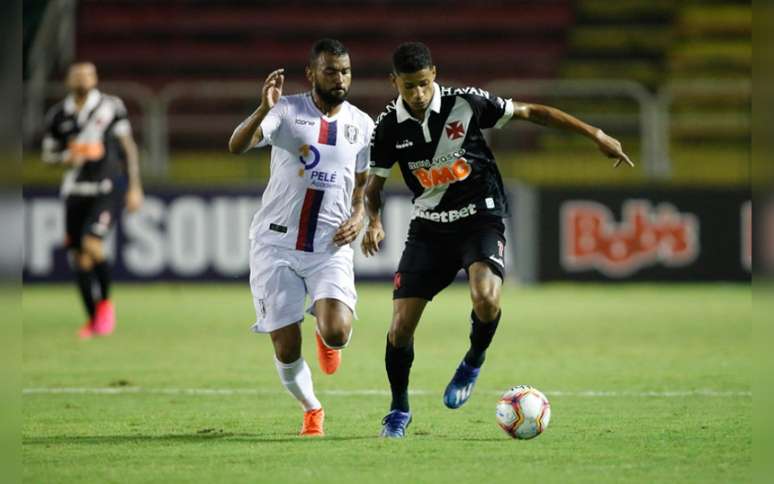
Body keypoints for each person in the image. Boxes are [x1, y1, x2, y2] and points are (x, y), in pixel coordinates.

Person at [363, 42, 633, 438]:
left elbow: (532, 112)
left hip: (480, 218)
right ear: (394, 83)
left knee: (486, 299)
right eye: (408, 87)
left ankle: (473, 359)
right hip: (429, 228)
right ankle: (399, 408)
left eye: (423, 84)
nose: (418, 94)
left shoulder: (466, 103)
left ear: (434, 74)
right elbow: (374, 186)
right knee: (400, 328)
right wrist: (373, 220)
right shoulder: (387, 126)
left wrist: (595, 134)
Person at [228, 39, 373, 437]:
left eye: (345, 71)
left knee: (338, 331)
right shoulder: (286, 110)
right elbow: (236, 145)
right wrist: (262, 107)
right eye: (330, 71)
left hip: (330, 245)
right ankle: (312, 408)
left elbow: (364, 181)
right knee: (286, 347)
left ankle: (326, 334)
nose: (340, 78)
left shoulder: (362, 124)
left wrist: (360, 214)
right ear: (311, 73)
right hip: (275, 245)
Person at [42, 62, 144, 339]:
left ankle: (106, 305)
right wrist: (66, 158)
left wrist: (135, 187)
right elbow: (48, 155)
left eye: (87, 74)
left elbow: (128, 147)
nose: (82, 79)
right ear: (68, 80)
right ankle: (93, 319)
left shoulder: (110, 106)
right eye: (77, 75)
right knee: (80, 259)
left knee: (91, 244)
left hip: (106, 188)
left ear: (95, 78)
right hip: (75, 191)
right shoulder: (58, 115)